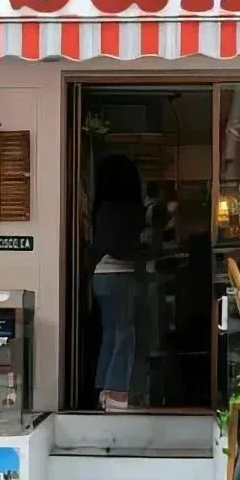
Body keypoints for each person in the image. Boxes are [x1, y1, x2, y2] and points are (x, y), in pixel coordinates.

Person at [90, 155, 145, 412]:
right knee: (126, 333)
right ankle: (118, 392)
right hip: (121, 275)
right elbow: (123, 247)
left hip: (101, 275)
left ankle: (104, 390)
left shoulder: (102, 207)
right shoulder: (127, 209)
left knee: (110, 334)